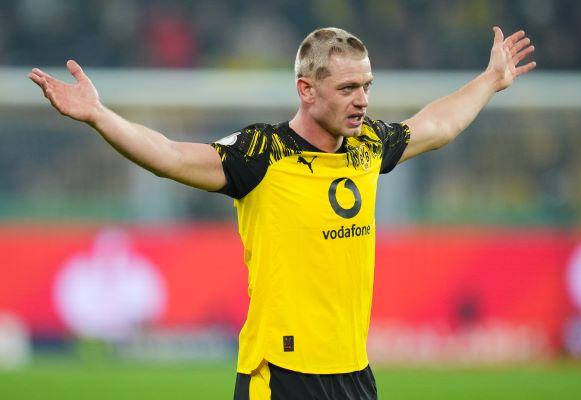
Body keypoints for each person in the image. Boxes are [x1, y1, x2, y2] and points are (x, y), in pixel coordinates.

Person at [29, 26, 535, 399]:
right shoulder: (262, 153)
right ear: (306, 89)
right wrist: (98, 115)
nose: (362, 100)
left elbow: (437, 125)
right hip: (281, 376)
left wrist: (491, 80)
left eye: (366, 86)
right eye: (347, 89)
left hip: (354, 374)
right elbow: (171, 156)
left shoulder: (368, 146)